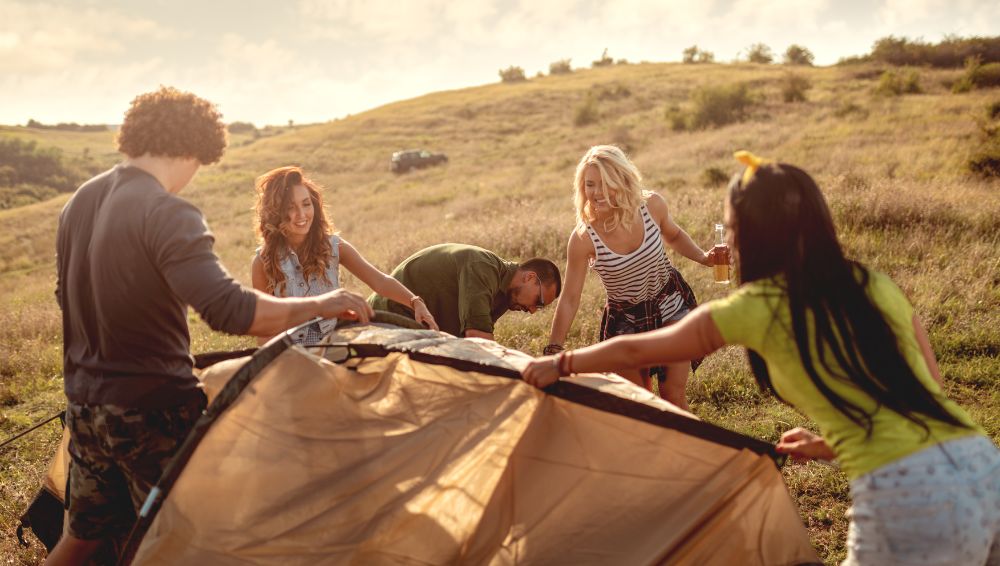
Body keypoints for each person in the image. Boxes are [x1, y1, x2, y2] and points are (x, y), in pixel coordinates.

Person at [523, 152, 998, 565]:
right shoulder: (871, 282)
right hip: (981, 464)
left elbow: (636, 349)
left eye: (732, 227)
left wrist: (561, 363)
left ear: (751, 235)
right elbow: (925, 396)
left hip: (910, 497)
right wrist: (829, 445)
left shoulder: (757, 308)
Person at [47, 87, 373, 566]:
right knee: (188, 544)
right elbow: (229, 310)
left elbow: (64, 299)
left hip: (84, 407)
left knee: (85, 540)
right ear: (192, 147)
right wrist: (324, 302)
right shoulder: (167, 211)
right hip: (151, 412)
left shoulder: (80, 202)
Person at [544, 145, 718, 410]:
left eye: (606, 183)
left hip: (669, 305)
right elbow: (569, 298)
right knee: (639, 404)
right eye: (590, 184)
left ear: (622, 181)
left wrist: (704, 257)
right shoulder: (583, 238)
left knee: (673, 396)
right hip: (625, 321)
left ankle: (685, 450)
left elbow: (673, 235)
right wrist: (554, 350)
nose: (597, 192)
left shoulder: (651, 206)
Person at [250, 165, 438, 344]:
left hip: (336, 344)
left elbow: (379, 281)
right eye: (290, 207)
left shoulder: (334, 246)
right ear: (275, 212)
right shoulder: (262, 262)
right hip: (291, 352)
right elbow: (263, 326)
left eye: (306, 204)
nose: (301, 214)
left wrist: (415, 302)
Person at [369, 243, 561, 340]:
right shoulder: (483, 267)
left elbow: (469, 343)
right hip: (385, 318)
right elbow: (478, 339)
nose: (534, 310)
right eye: (539, 301)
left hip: (416, 330)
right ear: (530, 278)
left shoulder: (506, 296)